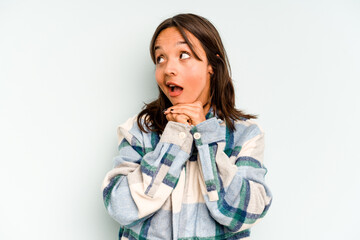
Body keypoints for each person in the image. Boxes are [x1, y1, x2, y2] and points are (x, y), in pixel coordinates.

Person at [102, 13, 272, 240]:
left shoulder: (245, 134)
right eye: (160, 58)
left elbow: (246, 213)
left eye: (183, 55)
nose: (168, 69)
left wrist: (206, 137)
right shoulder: (138, 130)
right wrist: (174, 140)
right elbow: (120, 207)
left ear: (211, 65)